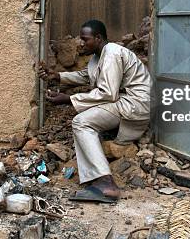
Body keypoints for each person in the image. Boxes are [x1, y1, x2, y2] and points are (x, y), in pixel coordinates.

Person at [38, 19, 152, 203]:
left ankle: (106, 183)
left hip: (135, 104)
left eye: (85, 39)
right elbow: (85, 76)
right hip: (125, 102)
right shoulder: (98, 57)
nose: (81, 43)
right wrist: (57, 76)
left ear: (98, 38)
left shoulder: (113, 53)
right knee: (83, 120)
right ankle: (97, 177)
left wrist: (69, 99)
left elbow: (108, 93)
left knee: (81, 122)